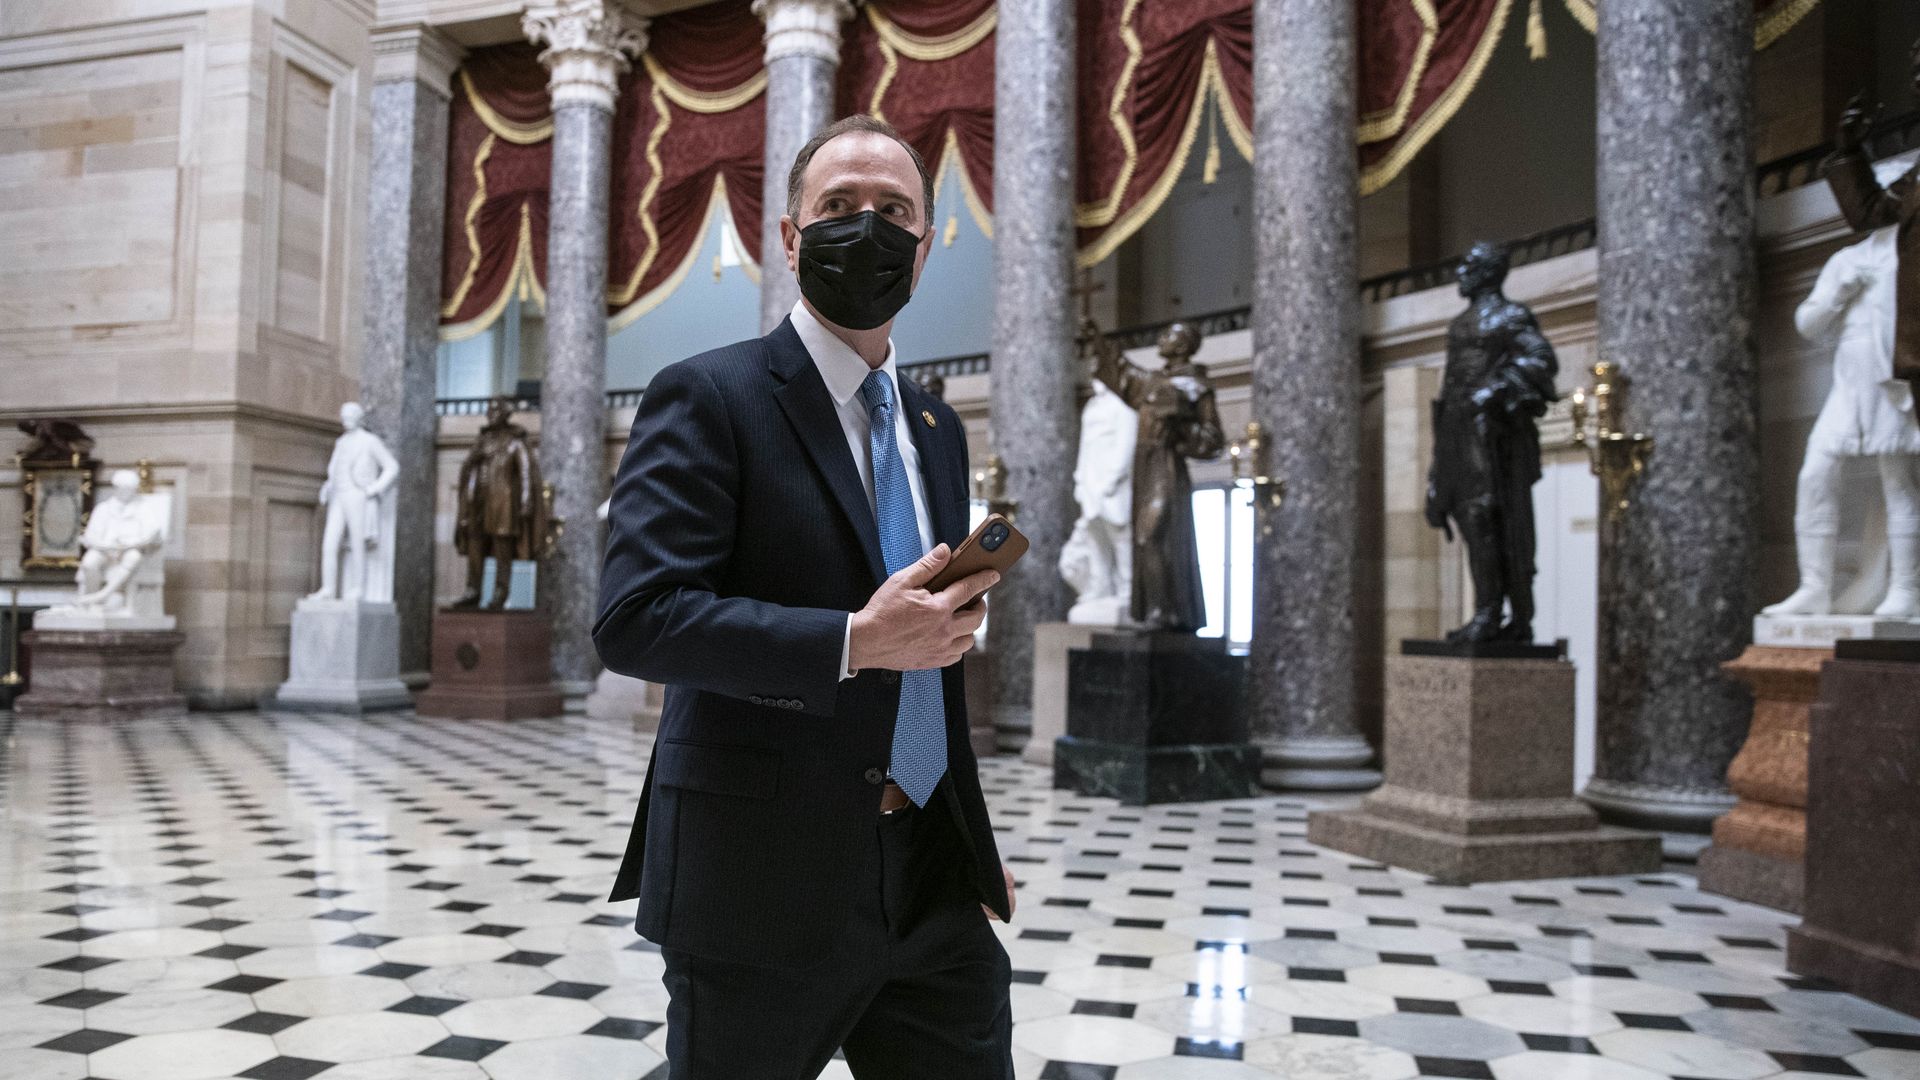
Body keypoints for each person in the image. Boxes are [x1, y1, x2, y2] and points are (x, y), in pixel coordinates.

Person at [594, 115, 1016, 1080]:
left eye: (892, 211)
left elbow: (929, 666)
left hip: (926, 884)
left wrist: (969, 850)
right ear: (789, 239)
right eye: (837, 207)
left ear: (923, 245)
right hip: (758, 884)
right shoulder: (707, 396)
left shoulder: (935, 426)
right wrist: (856, 641)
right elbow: (637, 617)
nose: (864, 227)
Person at [1425, 241, 1558, 644]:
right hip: (1458, 431)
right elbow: (1449, 388)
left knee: (1493, 521)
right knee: (1469, 520)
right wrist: (1437, 468)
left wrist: (1498, 389)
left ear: (1489, 272)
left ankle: (1502, 613)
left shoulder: (1511, 316)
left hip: (1493, 437)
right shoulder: (1459, 324)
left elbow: (1541, 360)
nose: (1460, 272)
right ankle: (1486, 608)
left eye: (1469, 265)